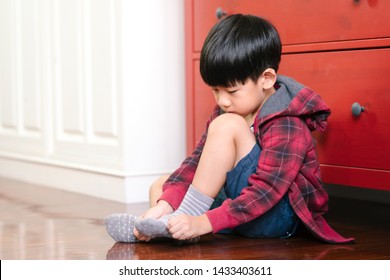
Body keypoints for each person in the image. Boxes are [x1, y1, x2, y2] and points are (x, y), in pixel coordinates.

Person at [105, 14, 354, 244]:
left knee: (227, 125)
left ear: (266, 79)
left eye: (231, 91)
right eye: (215, 90)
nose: (222, 100)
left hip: (277, 215)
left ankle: (184, 222)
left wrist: (205, 221)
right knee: (162, 185)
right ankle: (166, 226)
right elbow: (197, 162)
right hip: (241, 207)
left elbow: (268, 190)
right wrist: (165, 204)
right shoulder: (231, 109)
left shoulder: (287, 121)